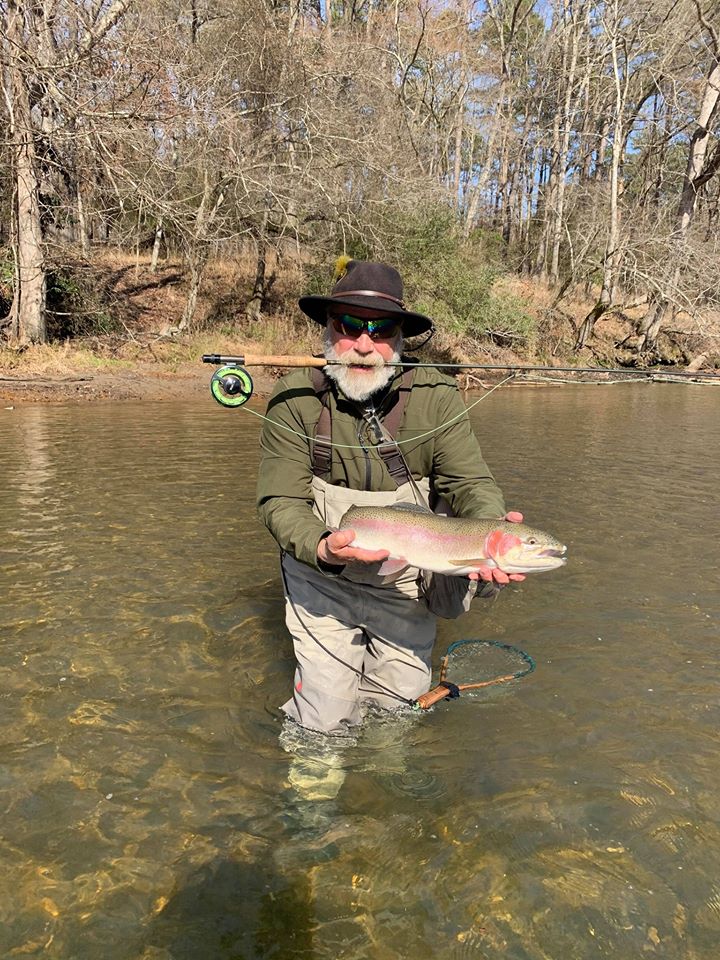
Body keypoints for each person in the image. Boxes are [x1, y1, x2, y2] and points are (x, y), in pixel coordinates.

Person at [256, 258, 523, 737]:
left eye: (381, 330)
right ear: (328, 327)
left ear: (400, 337)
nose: (364, 344)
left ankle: (385, 786)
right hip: (320, 576)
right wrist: (323, 547)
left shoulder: (437, 395)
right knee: (323, 717)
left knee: (397, 716)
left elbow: (470, 484)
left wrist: (490, 531)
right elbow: (280, 502)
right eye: (349, 325)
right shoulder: (294, 397)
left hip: (405, 580)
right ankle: (311, 782)